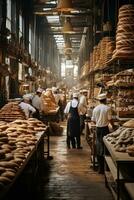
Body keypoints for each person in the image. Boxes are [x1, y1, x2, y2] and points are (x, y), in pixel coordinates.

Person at [91, 93, 113, 174]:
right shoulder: (107, 108)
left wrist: (98, 122)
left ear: (99, 100)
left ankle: (100, 168)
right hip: (105, 129)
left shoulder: (96, 108)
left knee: (99, 146)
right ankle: (106, 168)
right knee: (106, 147)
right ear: (105, 100)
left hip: (98, 129)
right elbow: (110, 119)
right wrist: (113, 126)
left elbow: (93, 120)